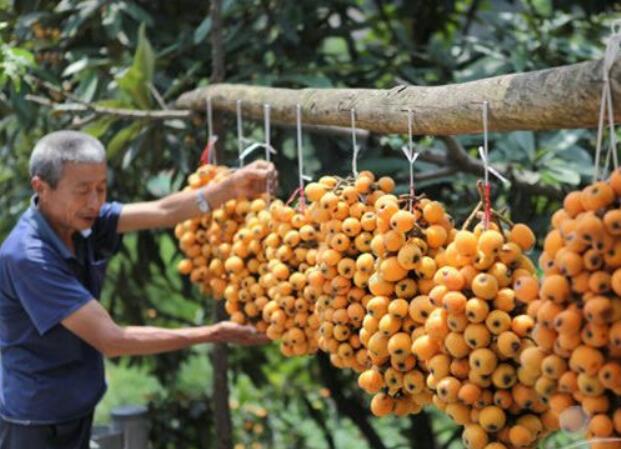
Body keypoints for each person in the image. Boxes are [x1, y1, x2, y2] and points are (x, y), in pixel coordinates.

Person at [0, 130, 276, 449]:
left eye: (101, 188)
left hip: (74, 405)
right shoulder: (28, 257)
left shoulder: (80, 221)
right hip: (36, 421)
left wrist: (230, 187)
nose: (95, 202)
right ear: (41, 188)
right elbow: (113, 340)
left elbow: (162, 212)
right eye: (82, 191)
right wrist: (213, 333)